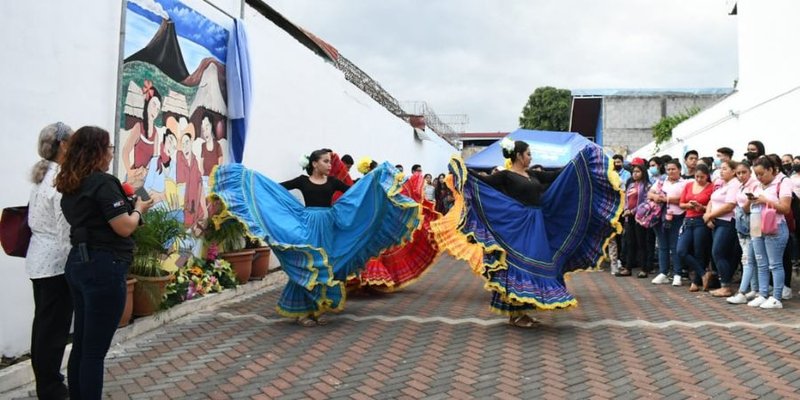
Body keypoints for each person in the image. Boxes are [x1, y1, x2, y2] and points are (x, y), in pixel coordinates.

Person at [211, 149, 420, 326]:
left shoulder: (333, 182)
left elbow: (357, 192)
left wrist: (375, 179)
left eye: (330, 161)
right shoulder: (302, 181)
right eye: (326, 161)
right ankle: (303, 311)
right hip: (306, 223)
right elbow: (276, 189)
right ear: (314, 163)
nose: (330, 165)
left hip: (328, 226)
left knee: (325, 264)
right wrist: (252, 181)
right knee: (307, 262)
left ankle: (316, 308)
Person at [431, 138, 623, 328]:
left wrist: (580, 160)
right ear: (519, 156)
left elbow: (559, 174)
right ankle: (515, 315)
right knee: (518, 265)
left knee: (533, 264)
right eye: (528, 154)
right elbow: (482, 181)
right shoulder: (505, 175)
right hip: (517, 225)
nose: (531, 158)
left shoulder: (533, 175)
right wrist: (462, 170)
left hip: (536, 223)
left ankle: (520, 312)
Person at [56, 126, 154, 399]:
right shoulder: (102, 182)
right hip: (103, 267)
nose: (112, 153)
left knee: (82, 345)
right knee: (94, 352)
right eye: (109, 148)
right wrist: (138, 209)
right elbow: (124, 226)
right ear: (96, 151)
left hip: (78, 263)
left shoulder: (70, 184)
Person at [26, 122, 74, 400]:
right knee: (52, 331)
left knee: (44, 327)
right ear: (64, 145)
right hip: (55, 264)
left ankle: (48, 382)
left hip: (39, 260)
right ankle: (51, 388)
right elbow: (64, 228)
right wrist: (75, 263)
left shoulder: (44, 176)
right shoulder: (58, 180)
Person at [746, 156, 792, 309]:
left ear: (771, 170)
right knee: (761, 263)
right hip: (756, 224)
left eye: (761, 174)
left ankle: (776, 297)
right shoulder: (757, 185)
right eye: (756, 174)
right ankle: (763, 293)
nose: (759, 177)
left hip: (775, 226)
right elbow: (747, 207)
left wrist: (765, 200)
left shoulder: (783, 182)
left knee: (775, 264)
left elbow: (785, 208)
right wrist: (752, 199)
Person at [704, 160, 740, 297]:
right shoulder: (723, 184)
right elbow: (712, 200)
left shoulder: (734, 184)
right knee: (718, 253)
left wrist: (710, 215)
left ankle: (726, 285)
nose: (721, 171)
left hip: (727, 221)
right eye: (720, 168)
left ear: (733, 171)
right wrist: (708, 214)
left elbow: (729, 206)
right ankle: (723, 282)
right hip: (716, 221)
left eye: (725, 168)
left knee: (718, 252)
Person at [727, 160, 760, 304]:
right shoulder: (741, 185)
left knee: (749, 260)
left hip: (754, 223)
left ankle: (742, 292)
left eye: (743, 172)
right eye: (738, 173)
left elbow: (748, 207)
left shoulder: (754, 184)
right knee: (748, 258)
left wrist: (748, 203)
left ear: (750, 171)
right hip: (742, 225)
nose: (741, 175)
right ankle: (754, 288)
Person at [650, 159, 687, 286]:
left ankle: (677, 274)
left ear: (679, 170)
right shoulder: (661, 182)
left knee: (675, 246)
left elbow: (684, 199)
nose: (671, 172)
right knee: (662, 245)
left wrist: (667, 199)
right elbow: (650, 193)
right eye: (668, 169)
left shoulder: (685, 183)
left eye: (673, 169)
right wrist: (655, 197)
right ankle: (663, 272)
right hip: (660, 216)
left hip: (677, 216)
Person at [621, 164, 651, 278]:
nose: (635, 174)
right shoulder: (631, 184)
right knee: (630, 242)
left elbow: (646, 201)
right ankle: (628, 267)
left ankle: (644, 268)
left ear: (643, 172)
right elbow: (626, 199)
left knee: (641, 242)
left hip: (641, 217)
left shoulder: (647, 185)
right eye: (633, 172)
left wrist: (633, 211)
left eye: (638, 171)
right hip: (629, 217)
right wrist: (626, 209)